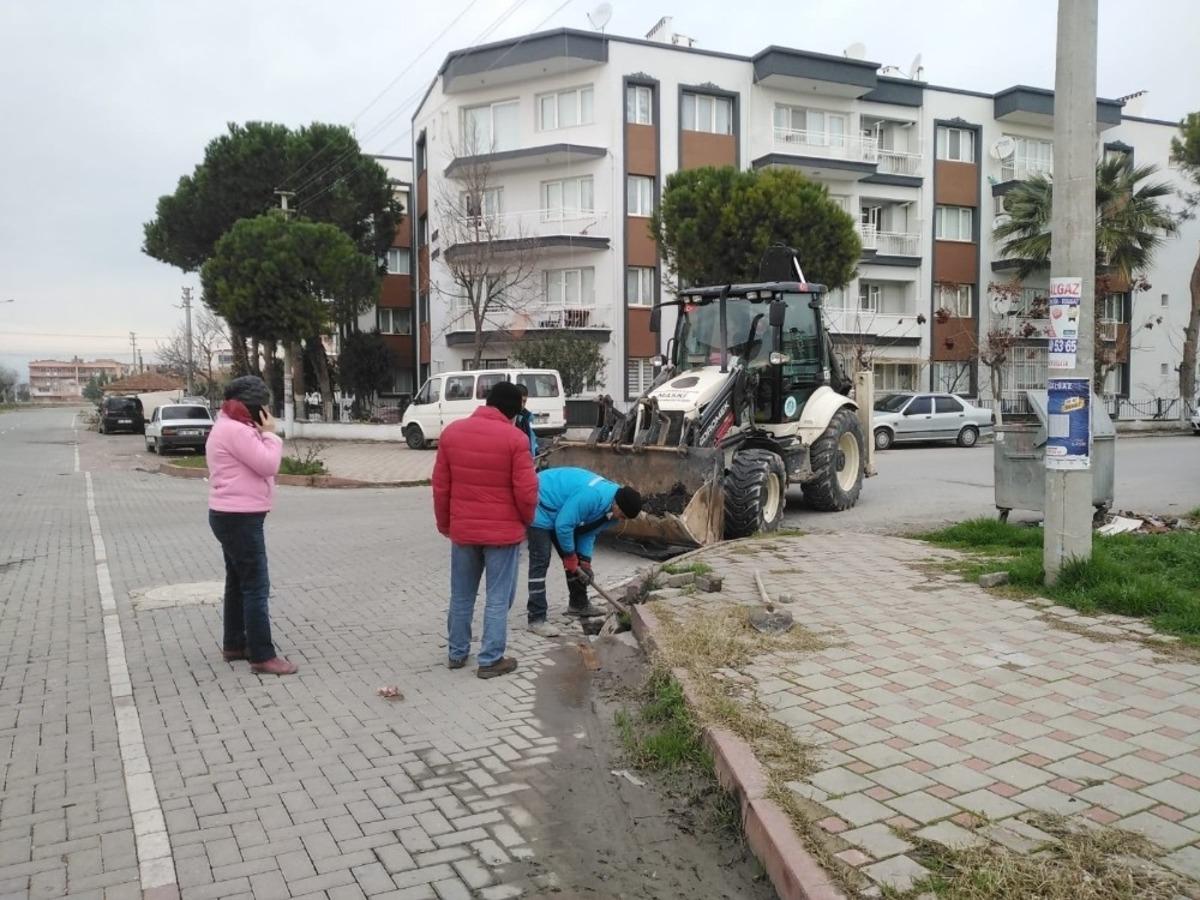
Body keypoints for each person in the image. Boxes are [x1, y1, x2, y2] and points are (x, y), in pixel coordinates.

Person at [433, 381, 539, 678]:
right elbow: (527, 492)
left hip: (464, 531)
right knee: (498, 597)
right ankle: (490, 660)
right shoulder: (515, 439)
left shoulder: (452, 433)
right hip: (502, 535)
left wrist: (445, 524)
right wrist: (526, 521)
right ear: (513, 411)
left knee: (461, 594)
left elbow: (441, 487)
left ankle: (456, 653)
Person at [206, 376, 297, 675]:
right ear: (252, 405)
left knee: (237, 582)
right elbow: (268, 464)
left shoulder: (229, 425)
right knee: (256, 586)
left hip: (230, 515)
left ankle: (234, 644)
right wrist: (270, 434)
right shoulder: (237, 430)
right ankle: (262, 655)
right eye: (263, 405)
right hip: (240, 518)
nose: (266, 411)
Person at [526, 467, 642, 636]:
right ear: (617, 504)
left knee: (576, 559)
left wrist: (585, 561)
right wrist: (569, 555)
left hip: (561, 512)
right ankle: (536, 619)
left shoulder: (612, 512)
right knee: (541, 560)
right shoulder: (593, 496)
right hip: (541, 502)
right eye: (622, 515)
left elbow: (588, 533)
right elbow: (564, 525)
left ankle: (578, 605)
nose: (621, 520)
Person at [514, 383, 538, 458]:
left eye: (524, 401)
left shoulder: (525, 417)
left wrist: (536, 450)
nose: (522, 404)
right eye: (519, 401)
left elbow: (531, 439)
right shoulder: (510, 419)